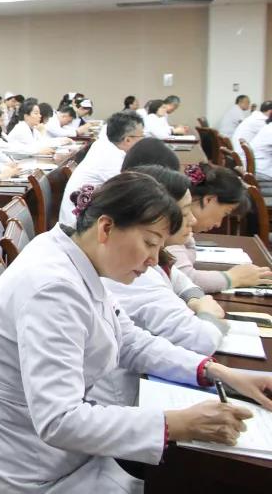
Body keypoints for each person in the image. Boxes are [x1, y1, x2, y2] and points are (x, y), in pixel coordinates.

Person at [0, 170, 272, 493]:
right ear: (106, 227)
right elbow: (60, 420)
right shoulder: (52, 288)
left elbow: (130, 340)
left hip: (57, 457)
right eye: (149, 243)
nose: (153, 260)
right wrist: (177, 423)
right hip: (28, 474)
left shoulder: (74, 257)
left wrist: (217, 372)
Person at [97, 165, 227, 408]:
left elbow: (133, 341)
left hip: (134, 386)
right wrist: (206, 311)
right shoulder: (132, 271)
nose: (193, 220)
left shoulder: (141, 257)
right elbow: (201, 340)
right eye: (185, 212)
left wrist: (211, 370)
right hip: (119, 401)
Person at [170, 162, 271, 292]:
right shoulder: (173, 224)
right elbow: (185, 279)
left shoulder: (183, 226)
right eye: (225, 213)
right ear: (208, 200)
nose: (219, 224)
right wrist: (233, 278)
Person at [59, 111, 145, 227]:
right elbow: (130, 196)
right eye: (142, 136)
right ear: (127, 140)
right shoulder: (110, 157)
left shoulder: (103, 145)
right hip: (77, 227)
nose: (143, 140)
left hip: (85, 219)